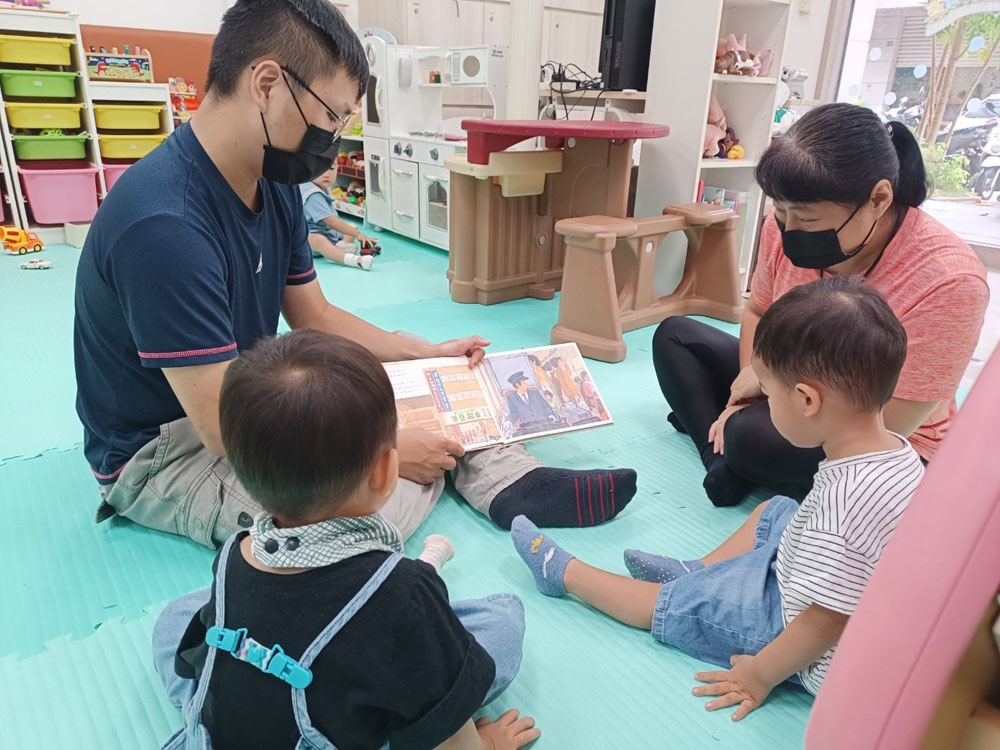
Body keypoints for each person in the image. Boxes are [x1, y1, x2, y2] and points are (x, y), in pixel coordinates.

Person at [73, 0, 638, 548]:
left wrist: (420, 355)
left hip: (254, 391)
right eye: (331, 116)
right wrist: (383, 450)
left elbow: (314, 315)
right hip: (175, 448)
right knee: (366, 510)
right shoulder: (165, 224)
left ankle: (509, 479)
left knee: (413, 380)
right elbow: (222, 429)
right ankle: (446, 465)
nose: (334, 135)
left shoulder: (272, 180)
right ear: (267, 84)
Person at [511, 277, 925, 719]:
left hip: (790, 629)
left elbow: (825, 620)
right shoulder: (897, 453)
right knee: (777, 509)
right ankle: (697, 571)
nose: (763, 403)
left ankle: (567, 574)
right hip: (814, 579)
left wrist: (759, 675)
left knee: (680, 605)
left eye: (768, 393)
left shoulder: (843, 508)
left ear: (807, 400)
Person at [153, 329, 540, 750]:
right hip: (333, 730)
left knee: (178, 616)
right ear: (386, 470)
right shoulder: (406, 590)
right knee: (501, 621)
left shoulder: (237, 551)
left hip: (223, 733)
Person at [652, 103, 988, 507]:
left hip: (878, 436)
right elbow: (758, 311)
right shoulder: (784, 224)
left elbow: (894, 420)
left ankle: (732, 447)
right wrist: (750, 387)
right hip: (788, 386)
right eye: (780, 211)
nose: (788, 229)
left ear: (878, 199)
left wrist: (762, 391)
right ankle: (723, 459)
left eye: (807, 219)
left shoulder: (950, 280)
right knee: (675, 336)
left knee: (751, 435)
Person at [300, 165, 378, 271]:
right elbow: (331, 221)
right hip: (309, 238)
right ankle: (354, 260)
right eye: (320, 168)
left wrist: (354, 233)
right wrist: (358, 235)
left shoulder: (320, 188)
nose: (326, 174)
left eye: (331, 168)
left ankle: (339, 247)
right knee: (317, 240)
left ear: (337, 168)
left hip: (328, 233)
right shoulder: (312, 194)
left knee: (351, 228)